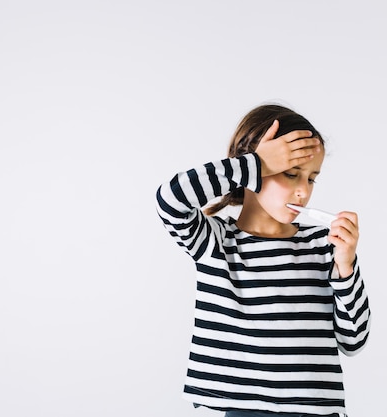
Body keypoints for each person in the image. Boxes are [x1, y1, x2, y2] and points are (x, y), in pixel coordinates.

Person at [155, 104, 371, 417]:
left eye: (311, 179)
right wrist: (255, 163)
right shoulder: (215, 243)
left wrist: (346, 267)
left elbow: (354, 340)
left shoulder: (322, 246)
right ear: (253, 171)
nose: (302, 192)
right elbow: (170, 199)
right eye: (291, 173)